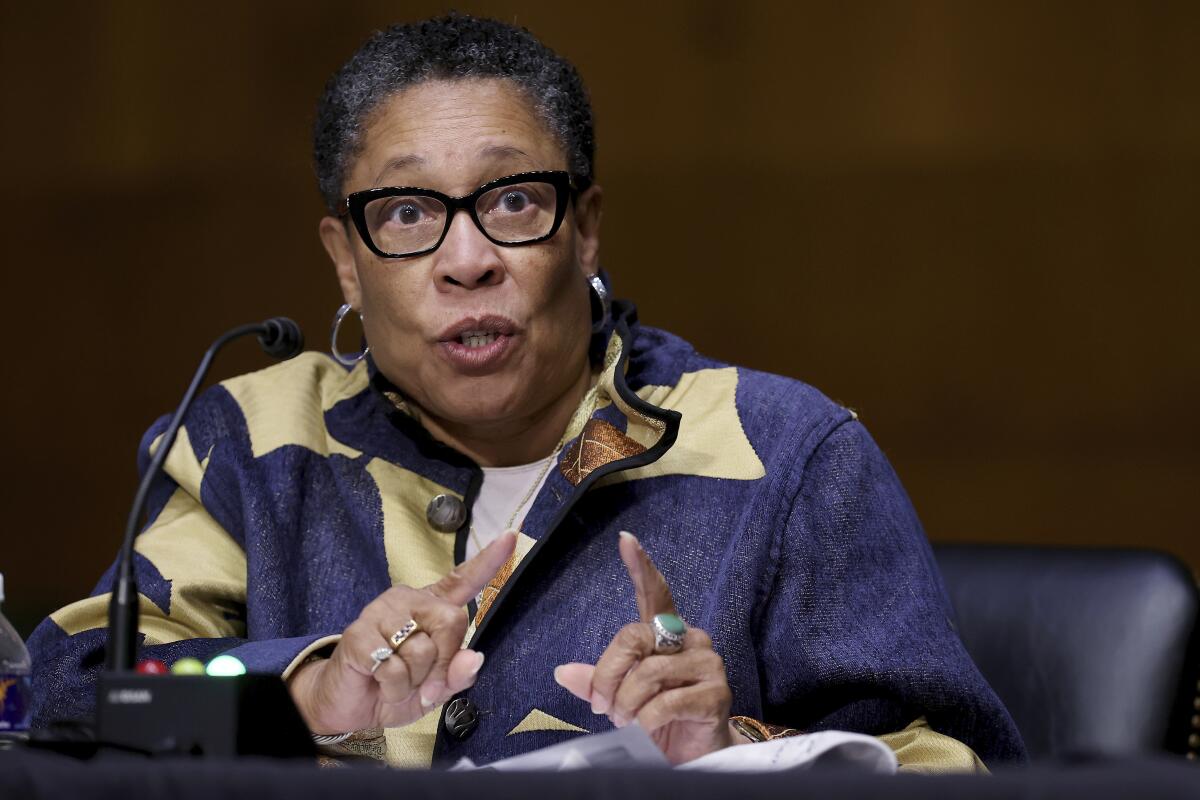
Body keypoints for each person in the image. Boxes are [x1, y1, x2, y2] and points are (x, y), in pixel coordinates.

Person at [28, 14, 1025, 771]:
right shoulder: (244, 442)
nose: (467, 259)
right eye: (409, 211)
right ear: (344, 256)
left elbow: (954, 765)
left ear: (583, 230)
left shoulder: (784, 449)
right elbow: (85, 695)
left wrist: (733, 745)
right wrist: (303, 688)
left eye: (512, 201)